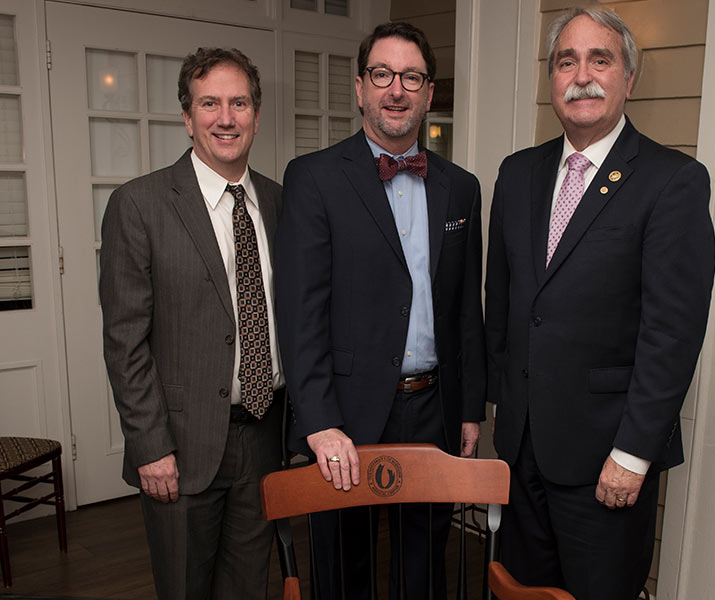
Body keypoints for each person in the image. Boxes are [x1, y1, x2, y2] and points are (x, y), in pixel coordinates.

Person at [484, 8, 715, 599]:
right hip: (523, 450)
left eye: (600, 59)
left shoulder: (672, 182)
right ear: (552, 79)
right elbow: (506, 304)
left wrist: (634, 454)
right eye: (567, 60)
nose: (581, 75)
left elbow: (673, 333)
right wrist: (496, 417)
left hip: (606, 462)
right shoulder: (517, 174)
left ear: (628, 80)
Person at [275, 21, 486, 600]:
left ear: (429, 92)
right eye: (383, 74)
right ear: (362, 88)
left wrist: (469, 408)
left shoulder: (461, 188)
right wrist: (318, 422)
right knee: (344, 568)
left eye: (412, 77)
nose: (397, 89)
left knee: (424, 567)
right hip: (346, 415)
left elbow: (468, 308)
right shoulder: (314, 178)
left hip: (434, 409)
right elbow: (300, 314)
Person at [99, 47, 284, 599]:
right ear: (187, 116)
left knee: (249, 587)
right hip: (179, 446)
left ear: (255, 113)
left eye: (239, 103)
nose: (226, 118)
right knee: (184, 587)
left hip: (264, 434)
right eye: (210, 104)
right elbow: (124, 341)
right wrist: (151, 445)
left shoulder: (279, 201)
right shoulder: (140, 205)